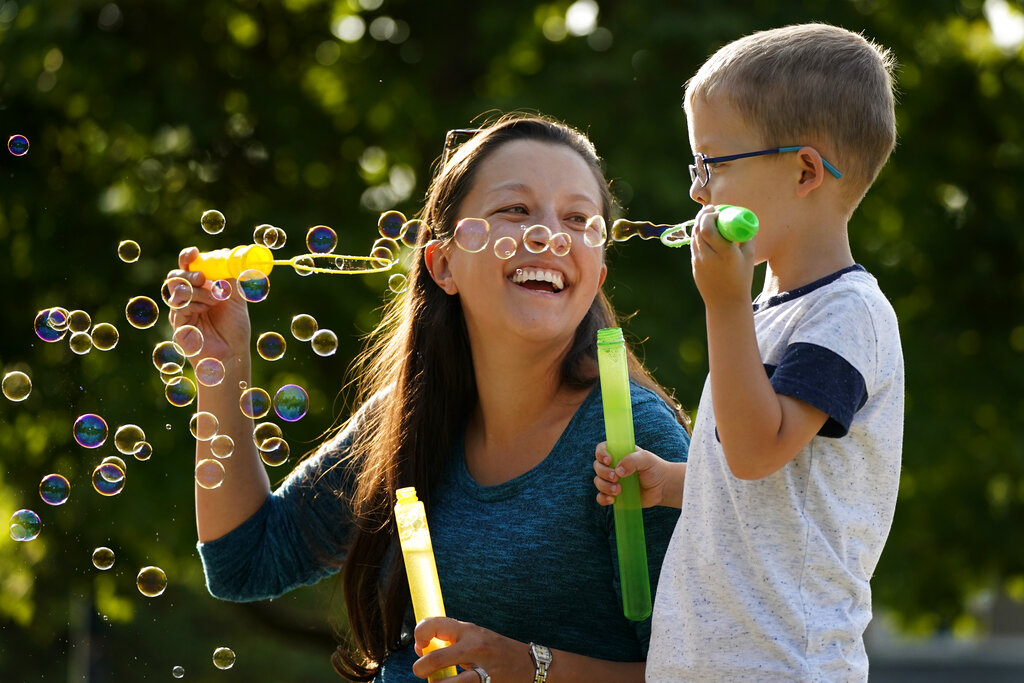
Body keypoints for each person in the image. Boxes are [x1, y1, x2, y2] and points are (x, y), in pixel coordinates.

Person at [167, 113, 690, 683]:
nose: (550, 234)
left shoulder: (632, 437)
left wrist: (531, 669)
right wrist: (221, 367)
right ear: (442, 263)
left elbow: (709, 669)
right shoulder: (410, 415)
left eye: (578, 219)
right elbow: (245, 560)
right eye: (515, 210)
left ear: (597, 272)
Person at [593, 23, 904, 682]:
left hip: (783, 662)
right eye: (695, 166)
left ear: (804, 170)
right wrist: (675, 483)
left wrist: (724, 305)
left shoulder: (847, 314)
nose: (698, 191)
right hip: (711, 662)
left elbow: (758, 450)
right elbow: (764, 486)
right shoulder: (767, 311)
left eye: (713, 163)